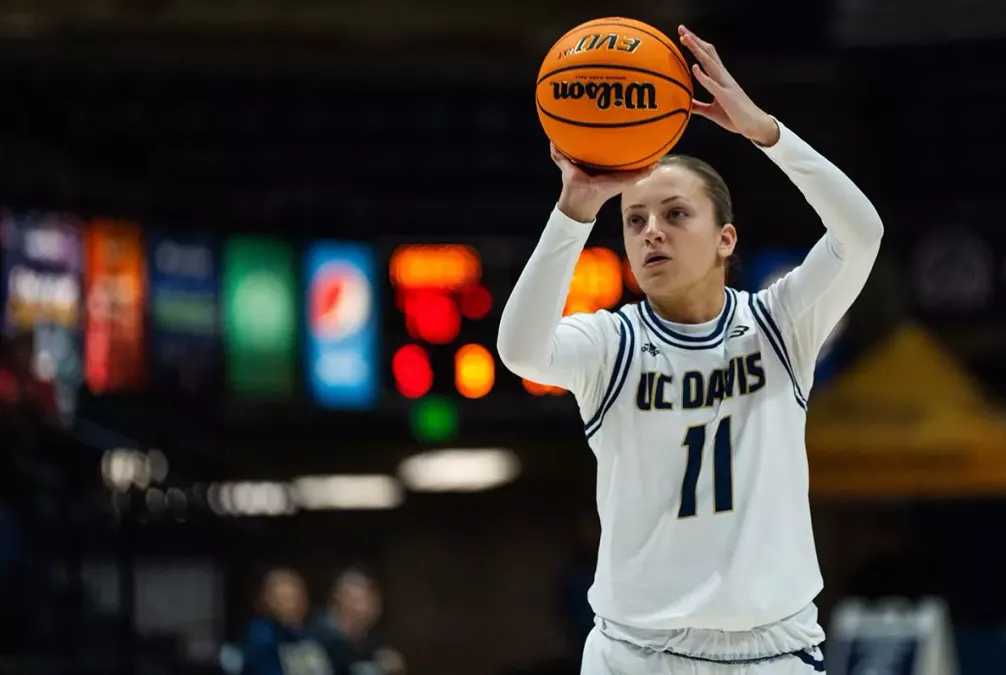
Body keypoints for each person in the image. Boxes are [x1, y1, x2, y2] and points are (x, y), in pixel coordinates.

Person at [497, 25, 883, 675]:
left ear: (726, 238)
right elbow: (521, 350)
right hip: (635, 654)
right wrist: (575, 208)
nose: (651, 232)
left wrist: (766, 132)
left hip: (773, 653)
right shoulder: (613, 343)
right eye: (635, 220)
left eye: (676, 214)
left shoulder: (779, 324)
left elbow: (861, 233)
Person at [310, 569, 405, 675]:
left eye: (373, 601)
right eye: (360, 600)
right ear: (339, 599)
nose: (369, 608)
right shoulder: (317, 639)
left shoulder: (371, 643)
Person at [240, 568, 333, 675]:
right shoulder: (260, 637)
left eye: (295, 597)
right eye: (284, 598)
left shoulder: (320, 634)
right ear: (266, 601)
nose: (292, 605)